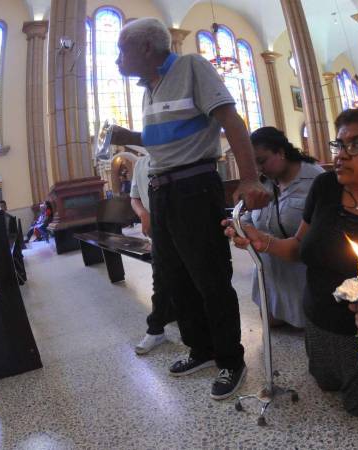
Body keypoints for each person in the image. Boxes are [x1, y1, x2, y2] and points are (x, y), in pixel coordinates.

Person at [225, 109, 358, 417]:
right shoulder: (325, 188)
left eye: (355, 145)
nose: (340, 155)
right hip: (319, 319)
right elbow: (299, 247)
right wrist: (264, 242)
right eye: (339, 145)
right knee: (325, 383)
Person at [111, 17, 269, 400]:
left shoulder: (191, 67)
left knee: (209, 277)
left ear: (146, 48)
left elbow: (231, 120)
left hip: (194, 188)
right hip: (161, 191)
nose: (118, 59)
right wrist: (129, 136)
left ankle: (231, 358)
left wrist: (249, 178)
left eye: (122, 50)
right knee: (173, 277)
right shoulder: (148, 87)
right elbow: (161, 139)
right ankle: (202, 349)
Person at [242, 127, 324, 328]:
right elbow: (247, 218)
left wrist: (264, 240)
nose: (259, 169)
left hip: (303, 272)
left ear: (281, 152)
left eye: (262, 161)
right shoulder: (262, 183)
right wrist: (241, 228)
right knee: (272, 323)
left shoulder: (316, 180)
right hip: (271, 274)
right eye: (255, 165)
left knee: (311, 324)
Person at [130, 154, 176, 354]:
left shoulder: (177, 153)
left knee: (188, 277)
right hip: (157, 229)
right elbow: (134, 197)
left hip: (181, 222)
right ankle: (156, 329)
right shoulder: (140, 163)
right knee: (161, 278)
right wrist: (143, 214)